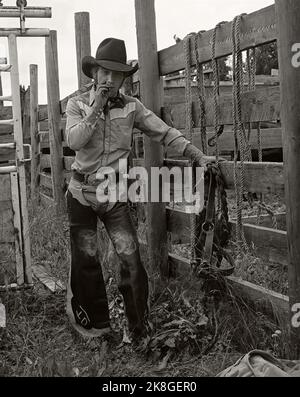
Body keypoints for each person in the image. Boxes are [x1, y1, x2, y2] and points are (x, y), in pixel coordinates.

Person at [65, 37, 216, 341]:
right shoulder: (77, 104)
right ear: (94, 74)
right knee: (87, 259)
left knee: (131, 258)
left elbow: (163, 131)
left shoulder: (132, 107)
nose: (109, 79)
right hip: (81, 193)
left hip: (114, 194)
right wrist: (96, 108)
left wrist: (197, 154)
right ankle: (98, 328)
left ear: (123, 78)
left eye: (115, 74)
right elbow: (74, 141)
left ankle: (138, 332)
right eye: (103, 72)